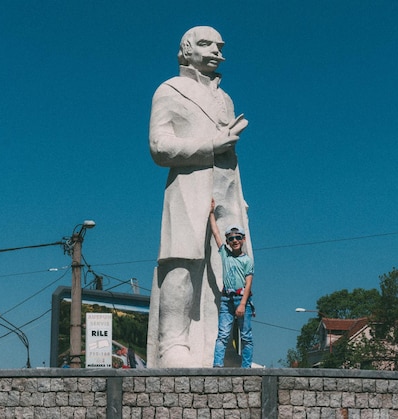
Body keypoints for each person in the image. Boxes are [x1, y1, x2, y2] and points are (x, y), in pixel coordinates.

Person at [146, 26, 253, 368]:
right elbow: (159, 147)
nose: (215, 51)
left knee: (229, 268)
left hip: (227, 188)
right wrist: (209, 146)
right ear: (186, 49)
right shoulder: (169, 90)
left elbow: (231, 155)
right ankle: (173, 344)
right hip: (188, 184)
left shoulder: (225, 99)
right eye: (206, 44)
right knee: (182, 261)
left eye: (219, 46)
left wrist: (239, 195)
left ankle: (221, 348)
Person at [209, 199, 254, 368]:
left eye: (238, 237)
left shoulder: (247, 261)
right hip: (227, 299)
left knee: (246, 336)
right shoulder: (225, 255)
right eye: (231, 238)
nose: (234, 240)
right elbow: (215, 234)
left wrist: (242, 304)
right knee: (222, 334)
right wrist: (211, 213)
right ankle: (217, 366)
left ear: (242, 240)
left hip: (242, 298)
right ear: (228, 241)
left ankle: (246, 368)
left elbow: (249, 283)